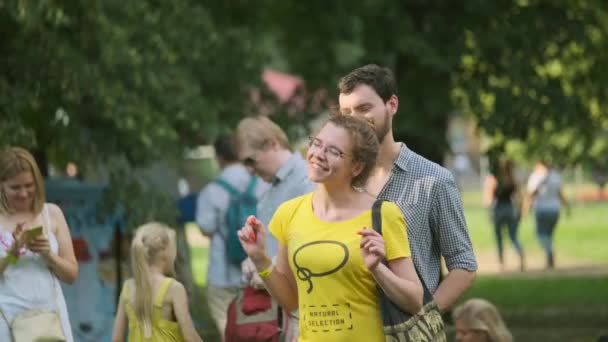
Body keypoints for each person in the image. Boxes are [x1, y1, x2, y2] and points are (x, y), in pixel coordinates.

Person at [238, 114, 424, 341]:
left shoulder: (383, 214)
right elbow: (290, 301)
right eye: (317, 143)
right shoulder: (289, 213)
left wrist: (378, 269)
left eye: (334, 151)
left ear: (356, 166)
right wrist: (261, 260)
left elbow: (415, 301)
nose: (318, 155)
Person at [337, 64, 477, 311]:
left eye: (364, 108)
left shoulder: (433, 179)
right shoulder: (338, 181)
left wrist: (425, 318)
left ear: (392, 105)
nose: (354, 120)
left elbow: (463, 265)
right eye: (346, 112)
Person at [235, 116, 316, 341]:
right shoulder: (268, 189)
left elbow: (312, 246)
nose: (250, 170)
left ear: (273, 143)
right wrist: (255, 261)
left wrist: (270, 269)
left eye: (251, 160)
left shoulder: (306, 181)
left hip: (306, 307)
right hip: (280, 306)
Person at [0, 146, 78, 341]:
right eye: (15, 188)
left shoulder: (52, 214)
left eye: (29, 185)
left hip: (50, 319)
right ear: (1, 186)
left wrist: (48, 254)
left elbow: (71, 275)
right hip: (7, 320)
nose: (24, 193)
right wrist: (13, 253)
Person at [195, 134, 267, 339]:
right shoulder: (261, 184)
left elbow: (206, 229)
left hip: (222, 274)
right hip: (258, 272)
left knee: (228, 331)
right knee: (259, 329)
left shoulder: (212, 191)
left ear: (218, 158)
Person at [111, 222, 202, 342]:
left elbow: (117, 339)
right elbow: (190, 336)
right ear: (165, 252)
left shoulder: (128, 288)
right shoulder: (174, 288)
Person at [525, 160, 570, 269]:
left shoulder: (536, 177)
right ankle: (549, 260)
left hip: (541, 209)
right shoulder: (555, 176)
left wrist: (526, 207)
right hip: (555, 209)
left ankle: (550, 252)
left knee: (541, 235)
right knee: (549, 235)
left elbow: (531, 194)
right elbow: (560, 193)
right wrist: (567, 207)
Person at [483, 158, 525, 271]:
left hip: (498, 210)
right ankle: (521, 256)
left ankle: (501, 263)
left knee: (499, 238)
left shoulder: (494, 179)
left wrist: (488, 212)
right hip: (510, 209)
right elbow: (519, 197)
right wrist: (520, 211)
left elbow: (489, 198)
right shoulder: (512, 179)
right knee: (513, 237)